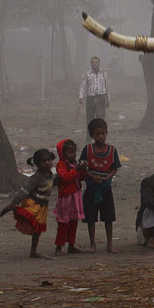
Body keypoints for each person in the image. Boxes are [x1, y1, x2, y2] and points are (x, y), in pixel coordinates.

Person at [0, 148, 56, 259]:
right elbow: (25, 190)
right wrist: (16, 201)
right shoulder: (37, 177)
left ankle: (33, 251)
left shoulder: (50, 174)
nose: (47, 163)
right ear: (37, 164)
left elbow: (51, 185)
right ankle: (12, 207)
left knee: (37, 229)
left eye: (48, 160)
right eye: (43, 161)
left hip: (43, 206)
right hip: (34, 204)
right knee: (32, 222)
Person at [80, 118, 122, 253]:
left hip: (105, 188)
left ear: (107, 133)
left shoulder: (112, 150)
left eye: (103, 133)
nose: (101, 137)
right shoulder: (87, 149)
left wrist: (106, 177)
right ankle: (92, 244)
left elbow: (114, 168)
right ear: (92, 135)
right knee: (91, 218)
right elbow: (82, 166)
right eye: (97, 134)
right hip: (91, 188)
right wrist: (91, 176)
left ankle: (110, 244)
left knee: (108, 218)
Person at [54, 139, 87, 255]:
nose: (73, 155)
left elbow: (80, 178)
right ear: (63, 154)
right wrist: (76, 170)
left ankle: (71, 244)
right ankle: (59, 246)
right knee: (64, 223)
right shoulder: (61, 165)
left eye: (74, 152)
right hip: (66, 198)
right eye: (70, 153)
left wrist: (83, 170)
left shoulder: (74, 163)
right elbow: (65, 178)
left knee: (73, 221)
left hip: (75, 196)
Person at [79, 56, 109, 134]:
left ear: (99, 63)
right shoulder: (87, 74)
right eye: (93, 62)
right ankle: (89, 136)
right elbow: (82, 86)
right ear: (91, 64)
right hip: (90, 98)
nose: (95, 64)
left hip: (101, 97)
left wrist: (108, 99)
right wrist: (81, 96)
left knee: (101, 118)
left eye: (96, 62)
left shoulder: (104, 74)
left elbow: (107, 87)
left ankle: (101, 136)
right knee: (90, 118)